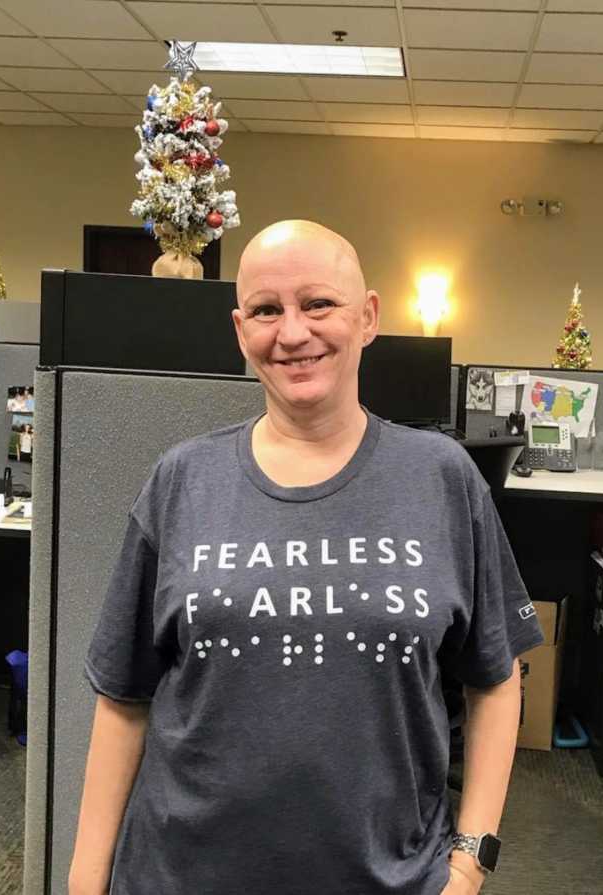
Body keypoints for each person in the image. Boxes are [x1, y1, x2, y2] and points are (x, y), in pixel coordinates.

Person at [69, 220, 544, 895]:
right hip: (182, 875)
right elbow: (122, 697)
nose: (293, 332)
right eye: (267, 309)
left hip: (389, 877)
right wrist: (85, 883)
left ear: (368, 316)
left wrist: (469, 864)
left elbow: (496, 678)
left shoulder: (441, 478)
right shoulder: (183, 480)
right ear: (241, 329)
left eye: (317, 303)